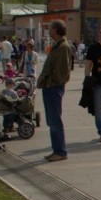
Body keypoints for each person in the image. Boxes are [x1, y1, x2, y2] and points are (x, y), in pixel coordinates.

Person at [37, 20, 75, 162]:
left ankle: (60, 151)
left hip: (53, 87)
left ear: (56, 30)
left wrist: (50, 82)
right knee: (52, 121)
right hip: (50, 87)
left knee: (55, 120)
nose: (49, 30)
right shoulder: (57, 45)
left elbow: (62, 71)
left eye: (51, 28)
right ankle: (56, 150)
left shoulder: (63, 46)